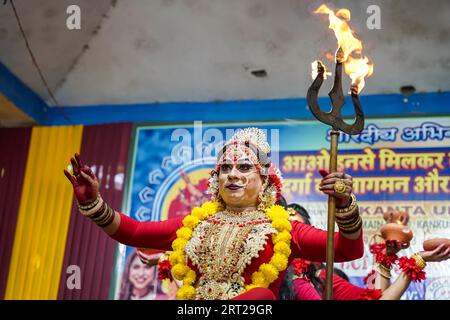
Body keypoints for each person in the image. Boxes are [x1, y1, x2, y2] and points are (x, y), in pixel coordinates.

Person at [64, 127, 364, 300]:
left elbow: (347, 249)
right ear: (215, 179)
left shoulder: (283, 228)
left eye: (244, 168)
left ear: (265, 181)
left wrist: (344, 204)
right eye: (225, 169)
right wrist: (94, 203)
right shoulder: (196, 224)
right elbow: (134, 233)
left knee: (262, 298)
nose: (232, 175)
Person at [279, 204, 450, 300]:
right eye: (286, 231)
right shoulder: (258, 263)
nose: (293, 236)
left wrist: (413, 259)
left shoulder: (322, 277)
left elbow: (377, 298)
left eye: (300, 231)